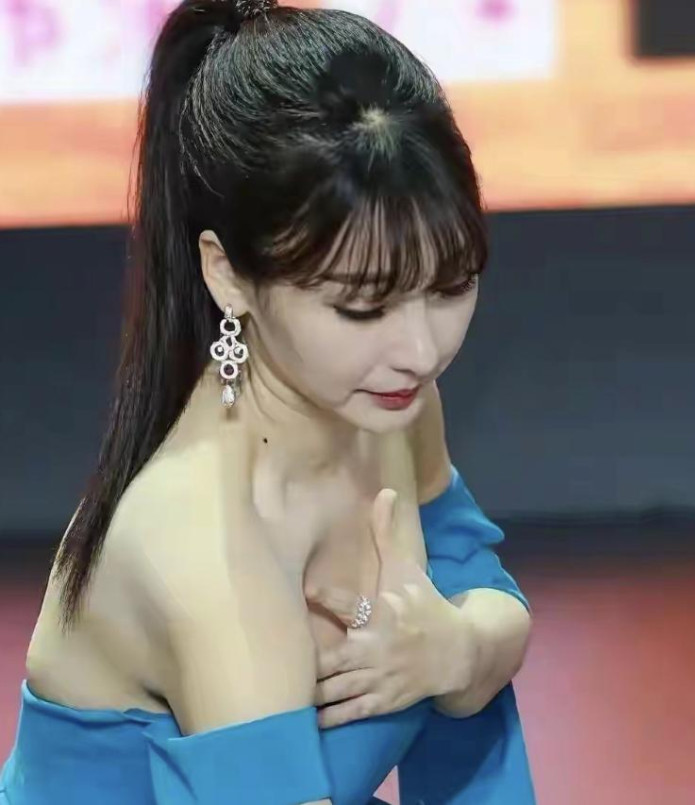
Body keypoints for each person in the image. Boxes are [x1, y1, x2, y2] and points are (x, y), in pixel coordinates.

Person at [0, 1, 535, 803]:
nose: (421, 350)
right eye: (362, 307)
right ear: (228, 275)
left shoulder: (389, 403)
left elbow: (482, 593)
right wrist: (461, 653)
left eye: (451, 286)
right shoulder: (203, 541)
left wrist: (455, 649)